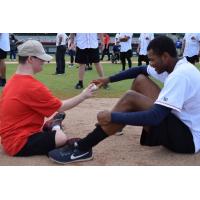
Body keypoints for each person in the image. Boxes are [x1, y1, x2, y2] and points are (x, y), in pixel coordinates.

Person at [48, 36, 200, 164]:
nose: (151, 64)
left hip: (187, 140)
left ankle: (83, 148)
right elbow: (139, 70)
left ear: (165, 57)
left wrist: (112, 116)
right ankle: (116, 126)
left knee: (130, 98)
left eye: (152, 60)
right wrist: (108, 79)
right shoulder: (176, 66)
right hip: (180, 125)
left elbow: (155, 117)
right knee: (140, 79)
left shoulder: (179, 75)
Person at [0, 40, 96, 157]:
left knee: (48, 124)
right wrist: (83, 95)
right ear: (30, 59)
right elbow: (61, 107)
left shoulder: (12, 81)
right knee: (61, 137)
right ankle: (55, 126)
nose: (44, 61)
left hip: (8, 139)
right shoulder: (32, 86)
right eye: (41, 59)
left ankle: (52, 125)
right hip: (18, 144)